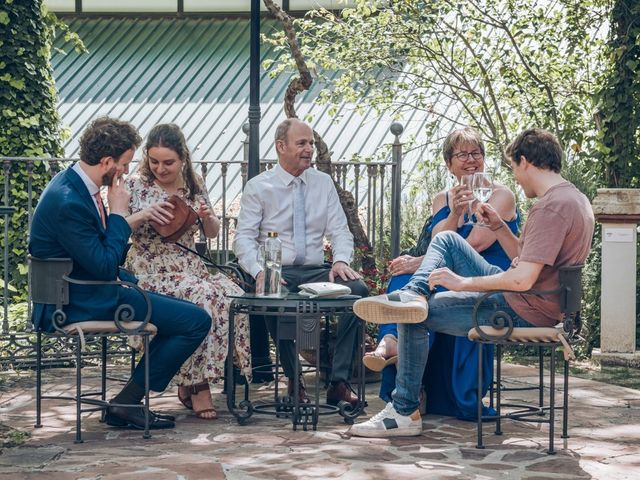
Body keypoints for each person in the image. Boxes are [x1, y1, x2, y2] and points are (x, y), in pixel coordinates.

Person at [350, 127, 594, 437]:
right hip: (535, 298)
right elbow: (529, 259)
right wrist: (501, 228)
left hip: (522, 305)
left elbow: (522, 279)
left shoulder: (550, 208)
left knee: (413, 315)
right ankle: (414, 291)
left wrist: (460, 283)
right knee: (449, 240)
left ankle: (403, 411)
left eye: (515, 169)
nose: (516, 178)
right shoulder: (573, 198)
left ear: (525, 162)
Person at [29, 117, 212, 430]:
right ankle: (127, 401)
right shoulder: (69, 201)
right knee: (196, 321)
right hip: (77, 300)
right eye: (125, 164)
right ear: (107, 161)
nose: (126, 171)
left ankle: (127, 401)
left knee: (182, 316)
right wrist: (118, 213)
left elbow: (97, 254)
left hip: (89, 290)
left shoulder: (71, 184)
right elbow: (103, 264)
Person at [365, 128, 519, 420]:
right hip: (447, 269)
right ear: (449, 164)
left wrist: (417, 263)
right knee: (401, 280)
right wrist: (454, 213)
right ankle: (395, 350)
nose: (471, 160)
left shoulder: (500, 195)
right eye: (462, 155)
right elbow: (440, 238)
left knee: (412, 283)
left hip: (484, 274)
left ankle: (398, 359)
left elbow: (474, 244)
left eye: (476, 153)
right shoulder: (442, 198)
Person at [233, 118, 369, 407]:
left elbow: (340, 231)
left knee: (358, 291)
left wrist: (341, 260)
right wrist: (260, 272)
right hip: (275, 270)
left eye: (311, 143)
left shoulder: (323, 182)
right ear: (281, 146)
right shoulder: (259, 187)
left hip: (316, 270)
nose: (310, 149)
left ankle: (339, 381)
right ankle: (295, 383)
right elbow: (242, 240)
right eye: (302, 143)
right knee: (273, 294)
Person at [124, 123, 252, 420]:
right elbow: (116, 228)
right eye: (154, 161)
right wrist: (143, 215)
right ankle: (198, 385)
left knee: (233, 297)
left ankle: (202, 377)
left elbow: (210, 233)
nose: (160, 168)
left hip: (189, 265)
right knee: (204, 297)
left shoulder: (193, 183)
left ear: (182, 158)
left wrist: (209, 218)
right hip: (149, 265)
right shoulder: (135, 185)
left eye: (168, 162)